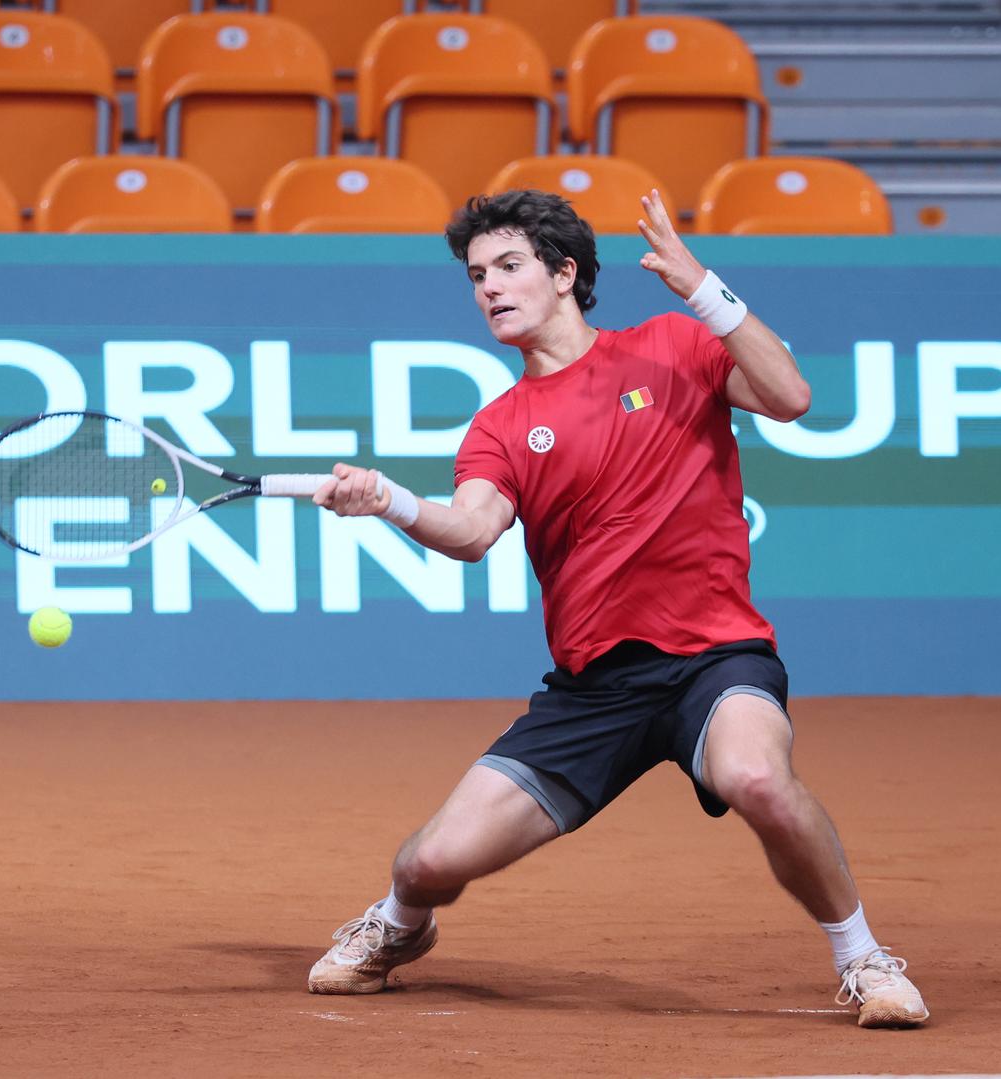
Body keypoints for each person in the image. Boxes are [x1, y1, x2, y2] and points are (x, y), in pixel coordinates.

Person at [305, 189, 929, 1029]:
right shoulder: (501, 424)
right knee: (430, 859)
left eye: (509, 266)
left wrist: (700, 286)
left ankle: (863, 958)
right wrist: (389, 502)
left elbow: (790, 396)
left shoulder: (671, 346)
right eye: (477, 274)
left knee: (756, 777)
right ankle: (401, 924)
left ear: (565, 274)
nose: (489, 286)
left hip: (716, 656)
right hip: (594, 687)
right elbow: (472, 530)